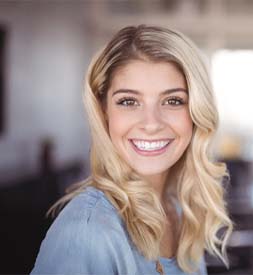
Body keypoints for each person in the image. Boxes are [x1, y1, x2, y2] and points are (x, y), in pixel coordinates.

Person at [31, 24, 233, 275]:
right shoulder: (87, 232)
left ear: (195, 111)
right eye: (129, 101)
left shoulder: (180, 210)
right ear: (104, 111)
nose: (151, 124)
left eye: (173, 101)